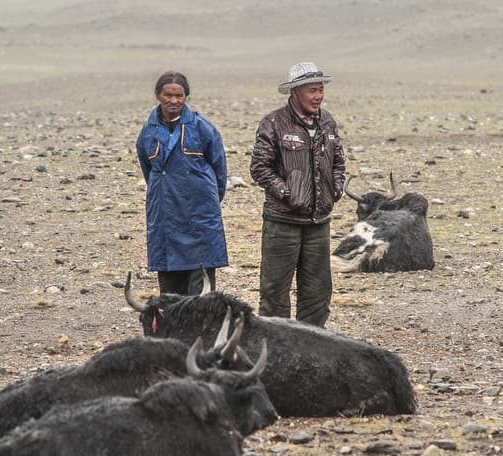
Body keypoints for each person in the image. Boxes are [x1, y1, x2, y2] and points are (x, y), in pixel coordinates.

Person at [250, 61, 346, 327]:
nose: (318, 96)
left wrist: (335, 188)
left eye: (321, 90)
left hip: (318, 223)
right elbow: (259, 168)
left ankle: (312, 348)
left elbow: (338, 161)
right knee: (275, 293)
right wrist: (287, 193)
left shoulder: (327, 121)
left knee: (317, 293)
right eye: (312, 91)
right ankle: (273, 351)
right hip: (282, 223)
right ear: (295, 91)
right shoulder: (274, 122)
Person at [136, 71, 228, 295]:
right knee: (170, 291)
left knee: (201, 292)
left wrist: (204, 200)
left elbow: (219, 171)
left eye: (179, 95)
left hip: (199, 220)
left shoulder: (202, 128)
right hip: (165, 218)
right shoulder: (148, 132)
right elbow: (150, 172)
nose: (174, 101)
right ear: (158, 95)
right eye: (168, 95)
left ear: (186, 96)